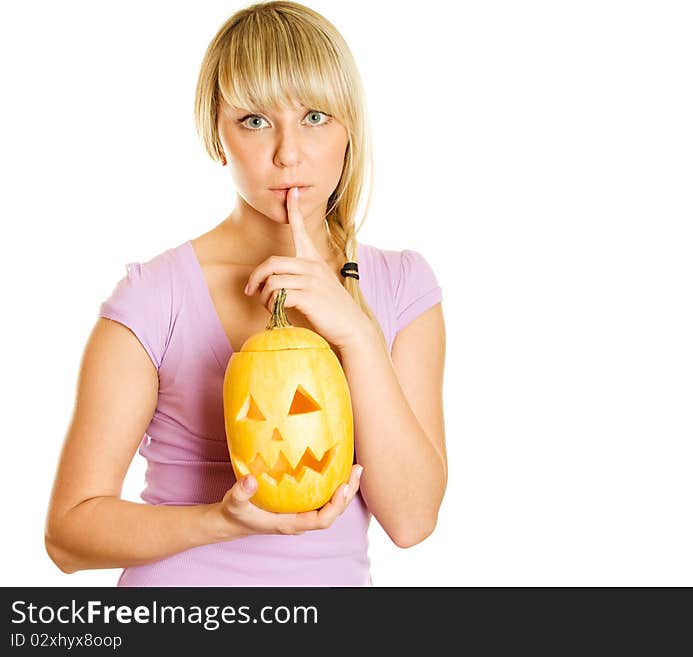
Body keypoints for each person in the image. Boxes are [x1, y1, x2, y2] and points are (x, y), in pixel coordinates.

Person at [44, 1, 447, 586]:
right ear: (216, 133)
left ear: (350, 126)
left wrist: (355, 332)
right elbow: (67, 537)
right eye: (255, 121)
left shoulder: (404, 287)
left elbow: (413, 520)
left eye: (314, 116)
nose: (288, 152)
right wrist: (221, 521)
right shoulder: (156, 297)